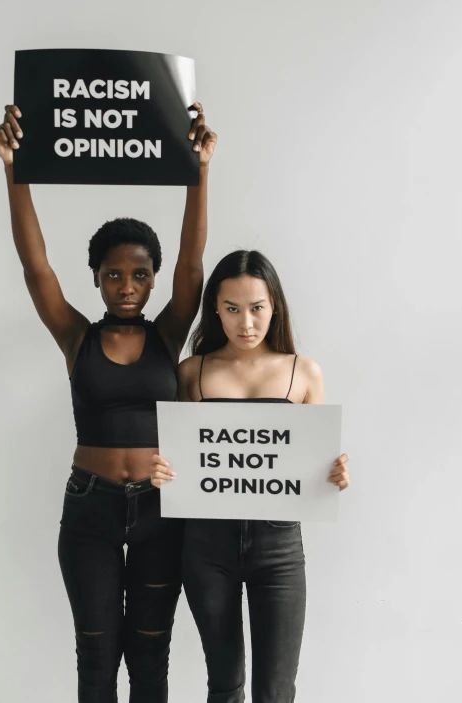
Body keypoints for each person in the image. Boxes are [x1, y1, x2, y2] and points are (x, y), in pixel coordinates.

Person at [0, 102, 217, 703]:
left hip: (161, 511)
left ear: (152, 279)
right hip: (90, 511)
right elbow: (34, 264)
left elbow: (192, 265)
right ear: (95, 277)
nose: (126, 286)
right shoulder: (76, 337)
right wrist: (15, 168)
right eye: (113, 275)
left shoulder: (168, 335)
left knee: (150, 655)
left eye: (139, 275)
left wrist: (199, 170)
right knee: (96, 654)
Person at [151, 249, 350, 703]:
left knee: (276, 692)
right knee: (224, 686)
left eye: (257, 308)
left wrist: (334, 472)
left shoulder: (304, 372)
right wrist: (163, 471)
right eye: (232, 309)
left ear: (274, 306)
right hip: (205, 548)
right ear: (215, 310)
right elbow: (182, 458)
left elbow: (313, 462)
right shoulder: (191, 373)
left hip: (278, 548)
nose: (246, 323)